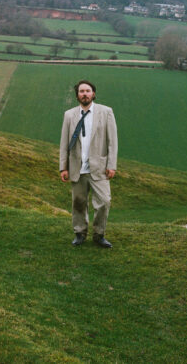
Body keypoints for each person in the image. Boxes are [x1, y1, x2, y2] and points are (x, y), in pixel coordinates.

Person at [59, 80, 118, 248]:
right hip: (77, 167)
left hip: (99, 167)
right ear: (77, 95)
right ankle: (80, 233)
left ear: (93, 93)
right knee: (78, 202)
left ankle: (99, 234)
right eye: (81, 91)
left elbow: (112, 141)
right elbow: (64, 142)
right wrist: (63, 167)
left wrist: (111, 165)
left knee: (104, 202)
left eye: (88, 91)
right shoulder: (69, 115)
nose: (84, 94)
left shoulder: (106, 112)